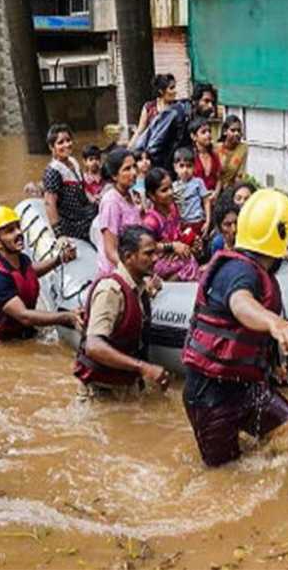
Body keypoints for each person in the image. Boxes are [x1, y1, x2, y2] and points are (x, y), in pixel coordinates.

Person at [181, 189, 288, 467]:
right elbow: (240, 303)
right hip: (210, 394)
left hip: (247, 387)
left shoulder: (258, 271)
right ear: (280, 234)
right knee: (225, 473)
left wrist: (274, 363)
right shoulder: (238, 271)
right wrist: (275, 322)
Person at [76, 225, 171, 396]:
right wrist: (143, 367)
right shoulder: (110, 291)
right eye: (149, 254)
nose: (156, 258)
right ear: (128, 257)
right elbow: (93, 346)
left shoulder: (139, 287)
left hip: (125, 386)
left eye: (156, 252)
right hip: (100, 391)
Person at [0, 206, 82, 342]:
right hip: (0, 343)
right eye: (10, 231)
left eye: (18, 227)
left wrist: (59, 259)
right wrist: (67, 317)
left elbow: (28, 273)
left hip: (20, 333)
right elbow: (24, 316)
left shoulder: (21, 259)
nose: (18, 233)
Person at [134, 83, 218, 170]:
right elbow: (154, 146)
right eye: (206, 101)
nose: (210, 106)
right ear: (195, 101)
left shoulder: (197, 119)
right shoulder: (176, 113)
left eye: (212, 102)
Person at [142, 167, 201, 282]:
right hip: (160, 260)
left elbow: (178, 232)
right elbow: (147, 246)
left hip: (176, 253)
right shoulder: (151, 220)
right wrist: (172, 247)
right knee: (187, 265)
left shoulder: (173, 209)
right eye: (164, 190)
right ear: (152, 195)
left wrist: (192, 241)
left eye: (171, 188)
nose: (170, 193)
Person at [42, 123, 97, 242]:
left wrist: (93, 199)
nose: (66, 145)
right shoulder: (53, 171)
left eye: (68, 140)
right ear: (52, 147)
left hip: (84, 214)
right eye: (60, 142)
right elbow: (49, 203)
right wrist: (59, 235)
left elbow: (82, 188)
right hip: (72, 224)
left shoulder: (73, 161)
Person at [93, 148, 142, 278]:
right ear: (115, 176)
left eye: (134, 167)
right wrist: (132, 273)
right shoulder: (111, 202)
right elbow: (110, 251)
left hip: (133, 263)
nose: (134, 172)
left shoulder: (130, 194)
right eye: (127, 169)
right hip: (116, 273)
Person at [172, 147, 211, 237]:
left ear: (194, 167)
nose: (185, 170)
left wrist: (208, 221)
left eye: (189, 166)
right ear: (175, 167)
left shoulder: (198, 182)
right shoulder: (173, 187)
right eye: (181, 166)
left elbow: (206, 201)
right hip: (182, 224)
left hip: (197, 222)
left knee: (198, 246)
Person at [130, 73, 177, 148]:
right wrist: (129, 149)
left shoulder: (177, 108)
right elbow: (140, 131)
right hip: (152, 149)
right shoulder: (149, 108)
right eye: (171, 88)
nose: (175, 91)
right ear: (161, 91)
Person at [188, 116, 222, 194]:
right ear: (193, 136)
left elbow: (219, 179)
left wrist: (215, 194)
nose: (208, 135)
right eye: (203, 132)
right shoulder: (190, 157)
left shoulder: (214, 156)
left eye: (209, 131)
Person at [216, 114, 248, 189]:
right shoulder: (216, 148)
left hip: (231, 189)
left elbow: (240, 174)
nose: (237, 133)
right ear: (225, 131)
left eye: (239, 131)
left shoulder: (243, 148)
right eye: (233, 130)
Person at [207, 191, 238, 259]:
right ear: (219, 227)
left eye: (236, 222)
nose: (234, 229)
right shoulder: (218, 243)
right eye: (228, 224)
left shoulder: (246, 242)